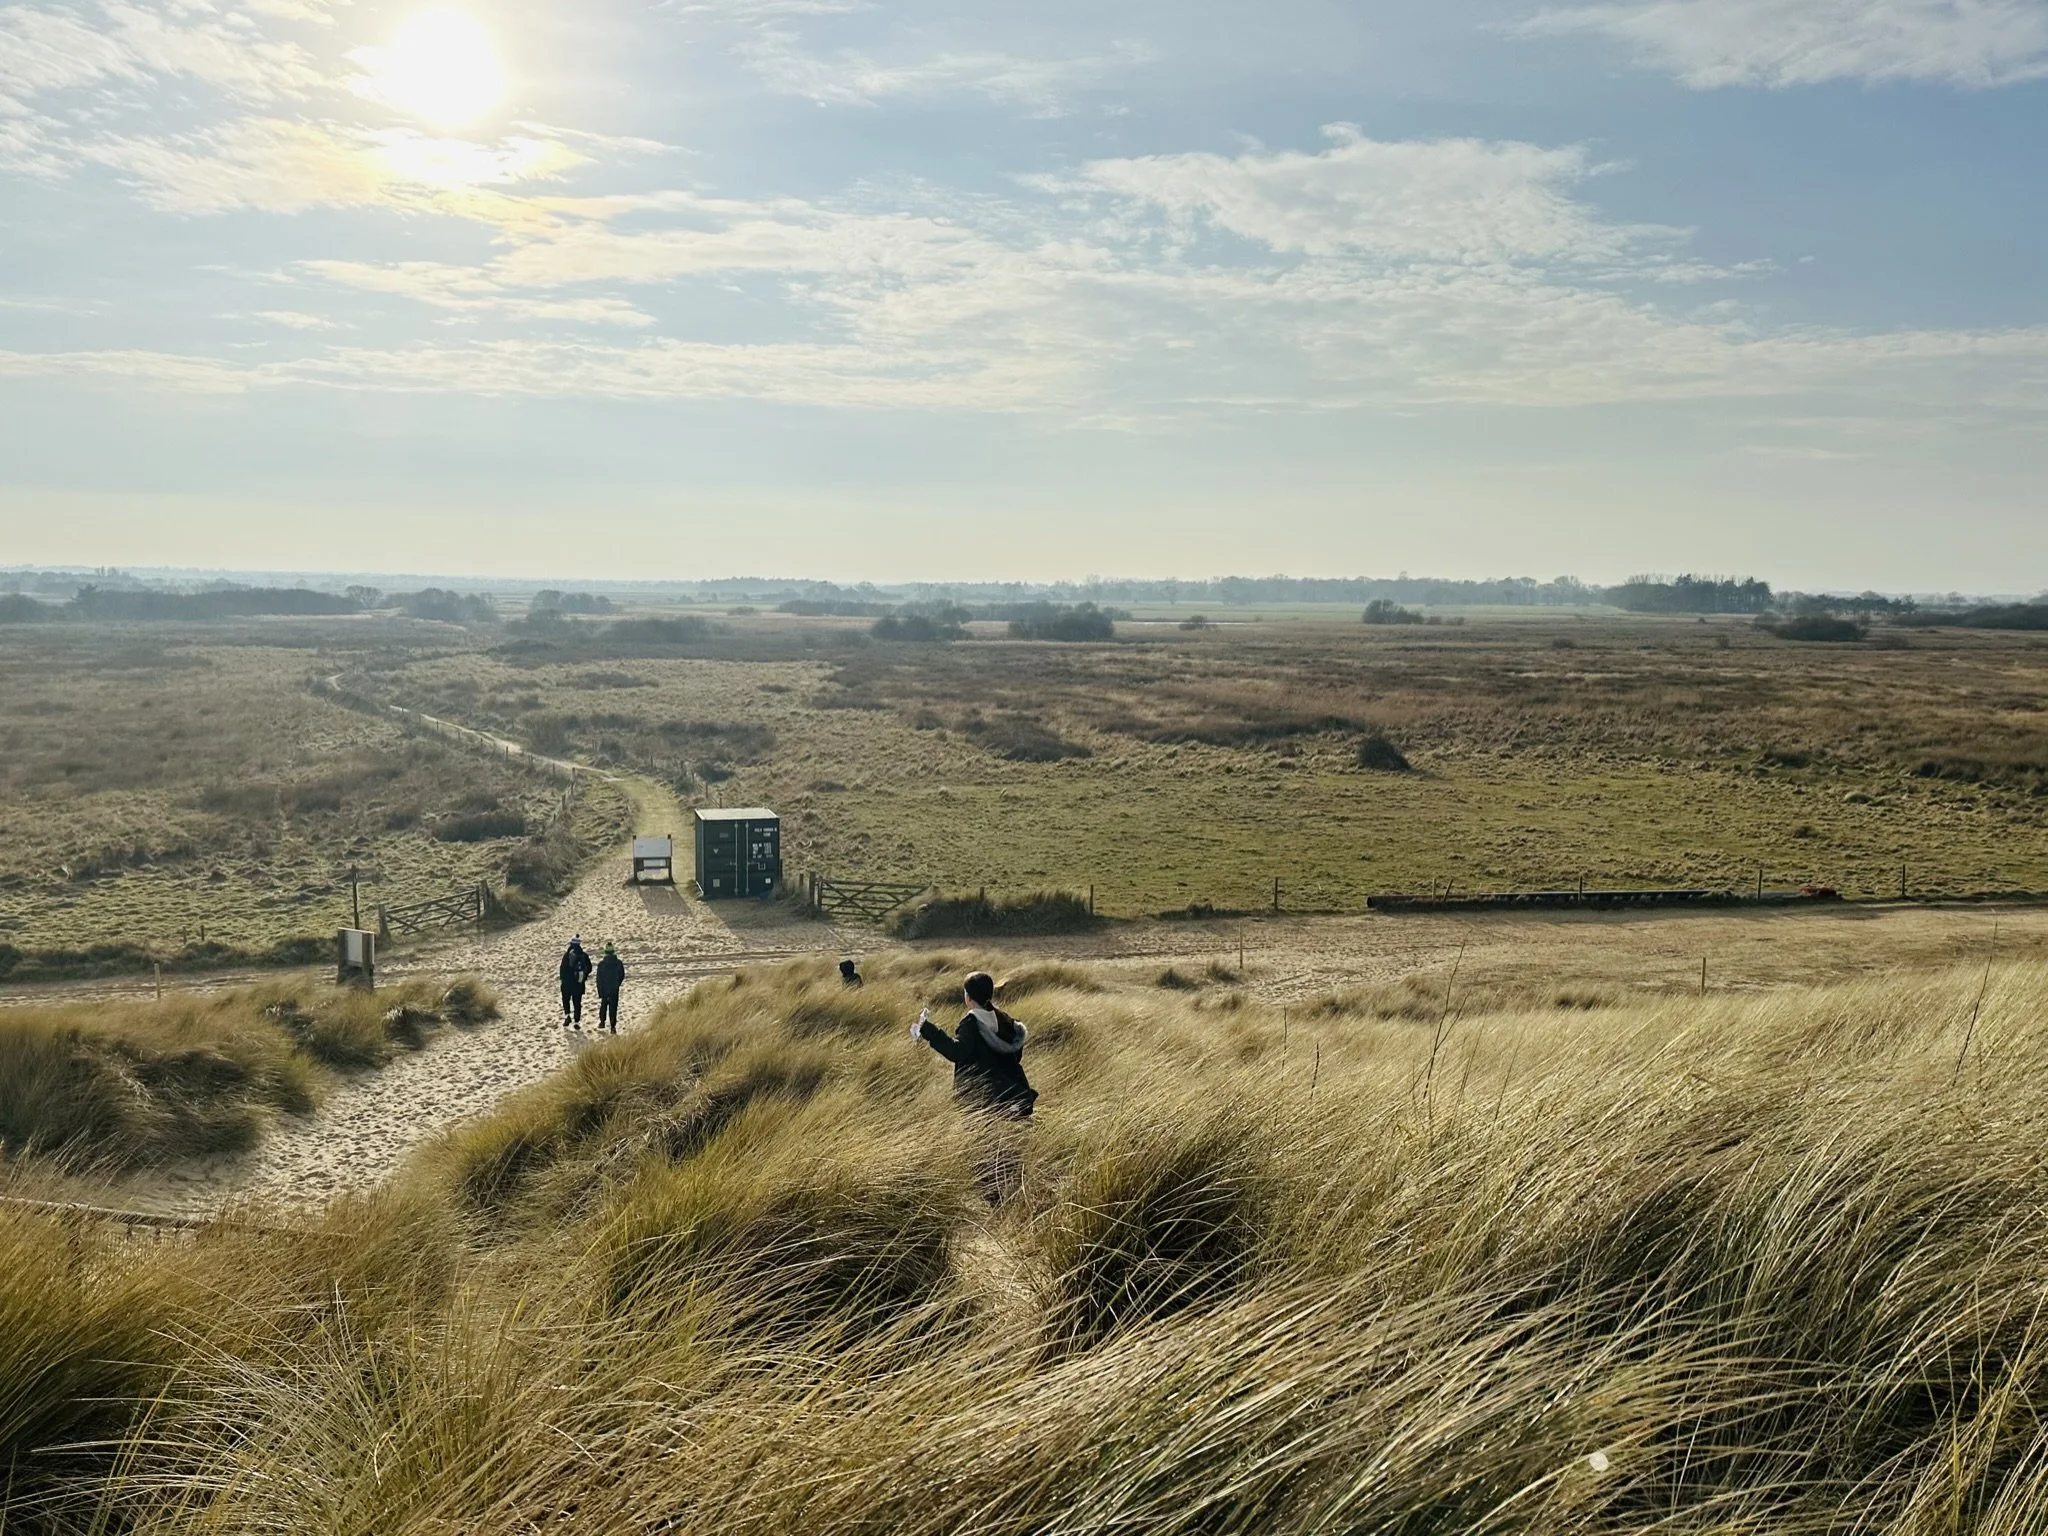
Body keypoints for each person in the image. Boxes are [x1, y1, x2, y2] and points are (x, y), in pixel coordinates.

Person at [913, 971, 1036, 1202]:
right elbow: (1015, 1053)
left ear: (968, 997)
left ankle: (993, 1196)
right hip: (1009, 1090)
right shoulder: (1003, 1018)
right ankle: (1010, 1188)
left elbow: (956, 1052)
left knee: (982, 1145)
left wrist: (928, 1030)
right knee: (1005, 1145)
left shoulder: (971, 1022)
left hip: (980, 1095)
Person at [558, 936, 592, 1029]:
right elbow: (589, 968)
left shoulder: (567, 955)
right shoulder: (584, 955)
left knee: (566, 1000)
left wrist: (563, 979)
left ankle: (567, 1016)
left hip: (567, 983)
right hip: (578, 983)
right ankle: (576, 1022)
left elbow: (562, 969)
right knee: (577, 1002)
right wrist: (583, 976)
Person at [595, 941, 625, 1034]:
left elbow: (598, 979)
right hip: (614, 988)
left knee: (603, 1005)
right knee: (613, 1007)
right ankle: (613, 1027)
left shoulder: (601, 964)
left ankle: (602, 1022)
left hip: (604, 988)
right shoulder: (619, 963)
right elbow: (622, 975)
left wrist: (600, 990)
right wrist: (617, 984)